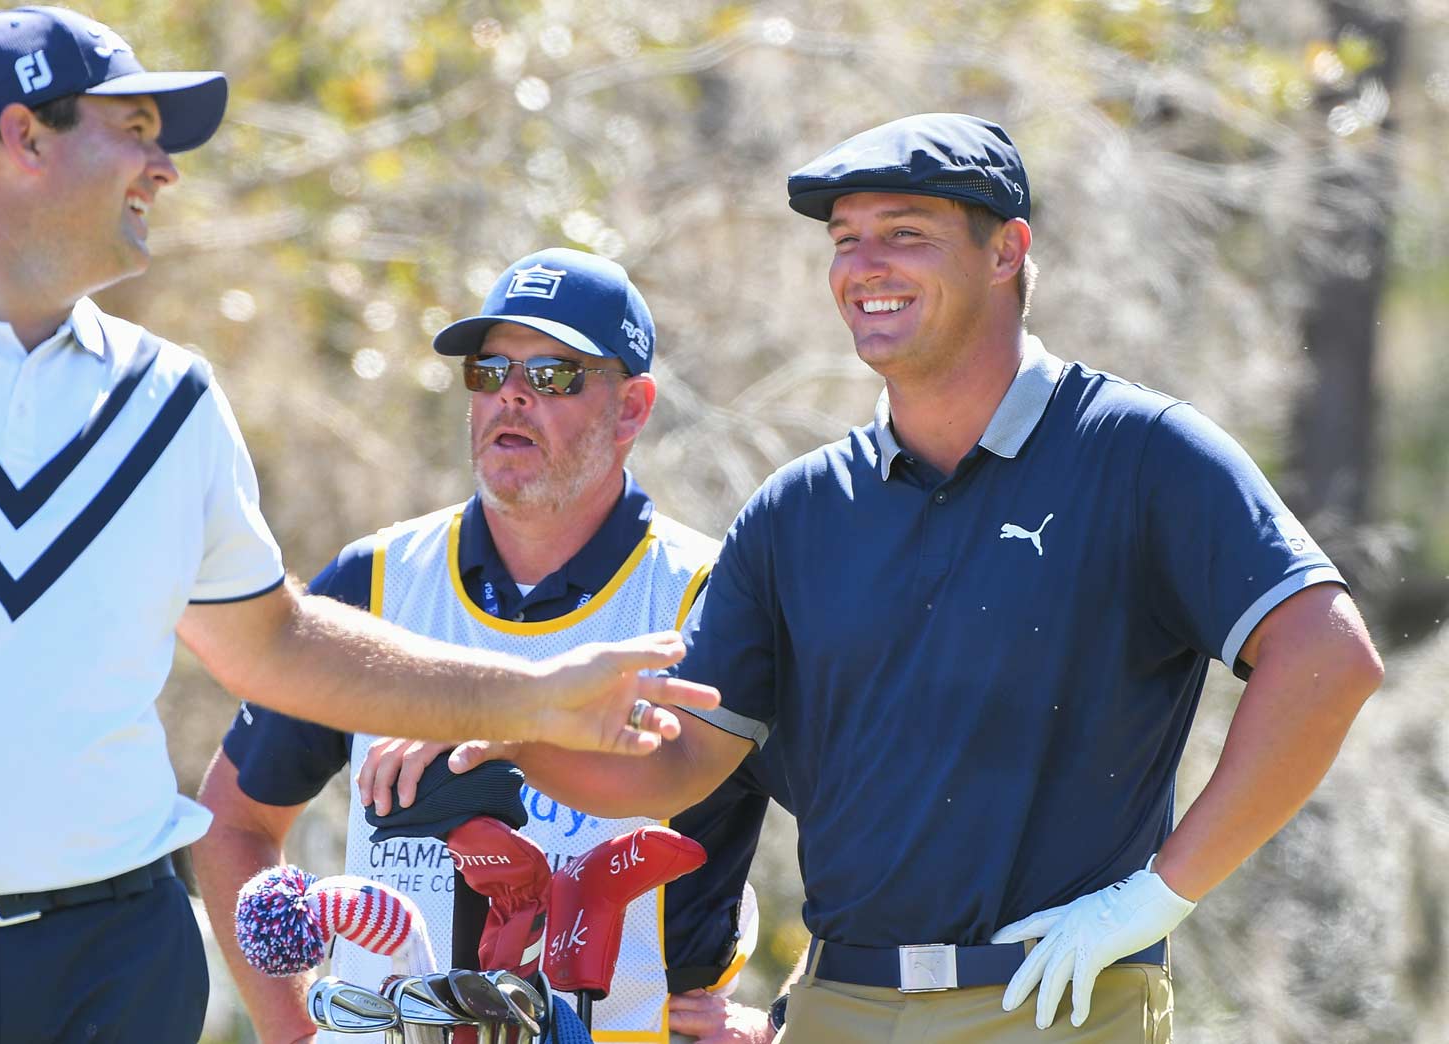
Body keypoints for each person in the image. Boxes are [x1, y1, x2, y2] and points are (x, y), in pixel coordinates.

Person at [0, 11, 716, 1044]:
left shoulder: (169, 395)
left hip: (117, 957)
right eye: (135, 129)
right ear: (23, 135)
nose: (166, 167)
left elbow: (273, 645)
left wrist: (528, 693)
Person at [445, 112, 1384, 1042]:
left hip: (1054, 1004)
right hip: (837, 1007)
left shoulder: (1139, 453)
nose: (864, 268)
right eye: (846, 241)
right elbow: (683, 763)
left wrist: (1156, 899)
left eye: (906, 235)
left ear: (1007, 251)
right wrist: (510, 730)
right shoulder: (797, 510)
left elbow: (1328, 660)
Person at [194, 248, 777, 1044]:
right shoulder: (372, 584)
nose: (510, 394)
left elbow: (871, 823)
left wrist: (786, 1016)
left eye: (554, 375)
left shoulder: (711, 598)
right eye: (490, 369)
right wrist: (294, 1031)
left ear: (633, 408)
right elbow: (233, 821)